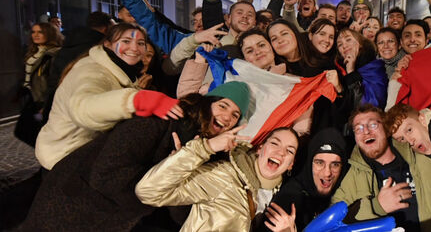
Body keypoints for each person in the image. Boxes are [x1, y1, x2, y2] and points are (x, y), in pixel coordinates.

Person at [20, 83, 250, 232]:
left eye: (235, 115)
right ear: (206, 103)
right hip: (71, 203)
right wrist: (166, 170)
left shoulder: (202, 152)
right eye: (223, 105)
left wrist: (178, 168)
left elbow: (178, 208)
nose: (227, 116)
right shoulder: (160, 122)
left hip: (111, 219)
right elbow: (106, 176)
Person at [35, 23, 183, 170]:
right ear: (108, 44)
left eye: (140, 43)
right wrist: (138, 99)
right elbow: (82, 107)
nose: (134, 48)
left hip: (84, 154)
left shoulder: (125, 71)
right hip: (64, 158)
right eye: (125, 41)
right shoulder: (92, 71)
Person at [135, 127, 300, 232]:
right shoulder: (224, 176)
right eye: (275, 144)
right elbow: (148, 191)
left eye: (290, 151)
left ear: (291, 164)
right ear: (260, 148)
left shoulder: (284, 202)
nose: (280, 153)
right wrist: (206, 147)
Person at [256, 128, 347, 232]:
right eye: (319, 163)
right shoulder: (289, 199)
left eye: (335, 165)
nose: (327, 173)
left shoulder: (347, 191)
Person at [336, 28, 388, 110]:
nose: (344, 46)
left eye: (348, 40)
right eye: (340, 44)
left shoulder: (374, 67)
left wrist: (351, 73)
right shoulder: (339, 72)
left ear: (360, 43)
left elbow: (370, 107)